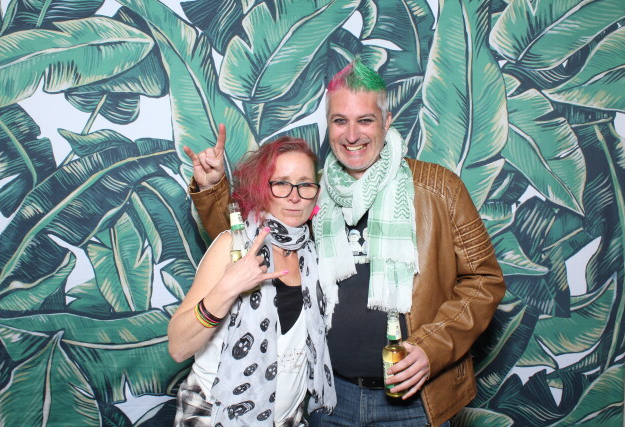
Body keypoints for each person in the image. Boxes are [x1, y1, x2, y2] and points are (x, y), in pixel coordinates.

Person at [185, 60, 506, 426]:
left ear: (386, 121)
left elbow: (485, 280)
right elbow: (248, 243)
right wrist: (212, 189)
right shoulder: (310, 191)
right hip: (329, 397)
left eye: (365, 120)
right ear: (329, 125)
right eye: (340, 121)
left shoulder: (440, 188)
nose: (352, 135)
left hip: (414, 403)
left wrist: (432, 348)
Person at [170, 137, 336, 426]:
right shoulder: (232, 246)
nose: (294, 196)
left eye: (305, 184)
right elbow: (178, 347)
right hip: (215, 416)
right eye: (281, 183)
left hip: (288, 419)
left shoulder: (314, 253)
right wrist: (228, 288)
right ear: (262, 188)